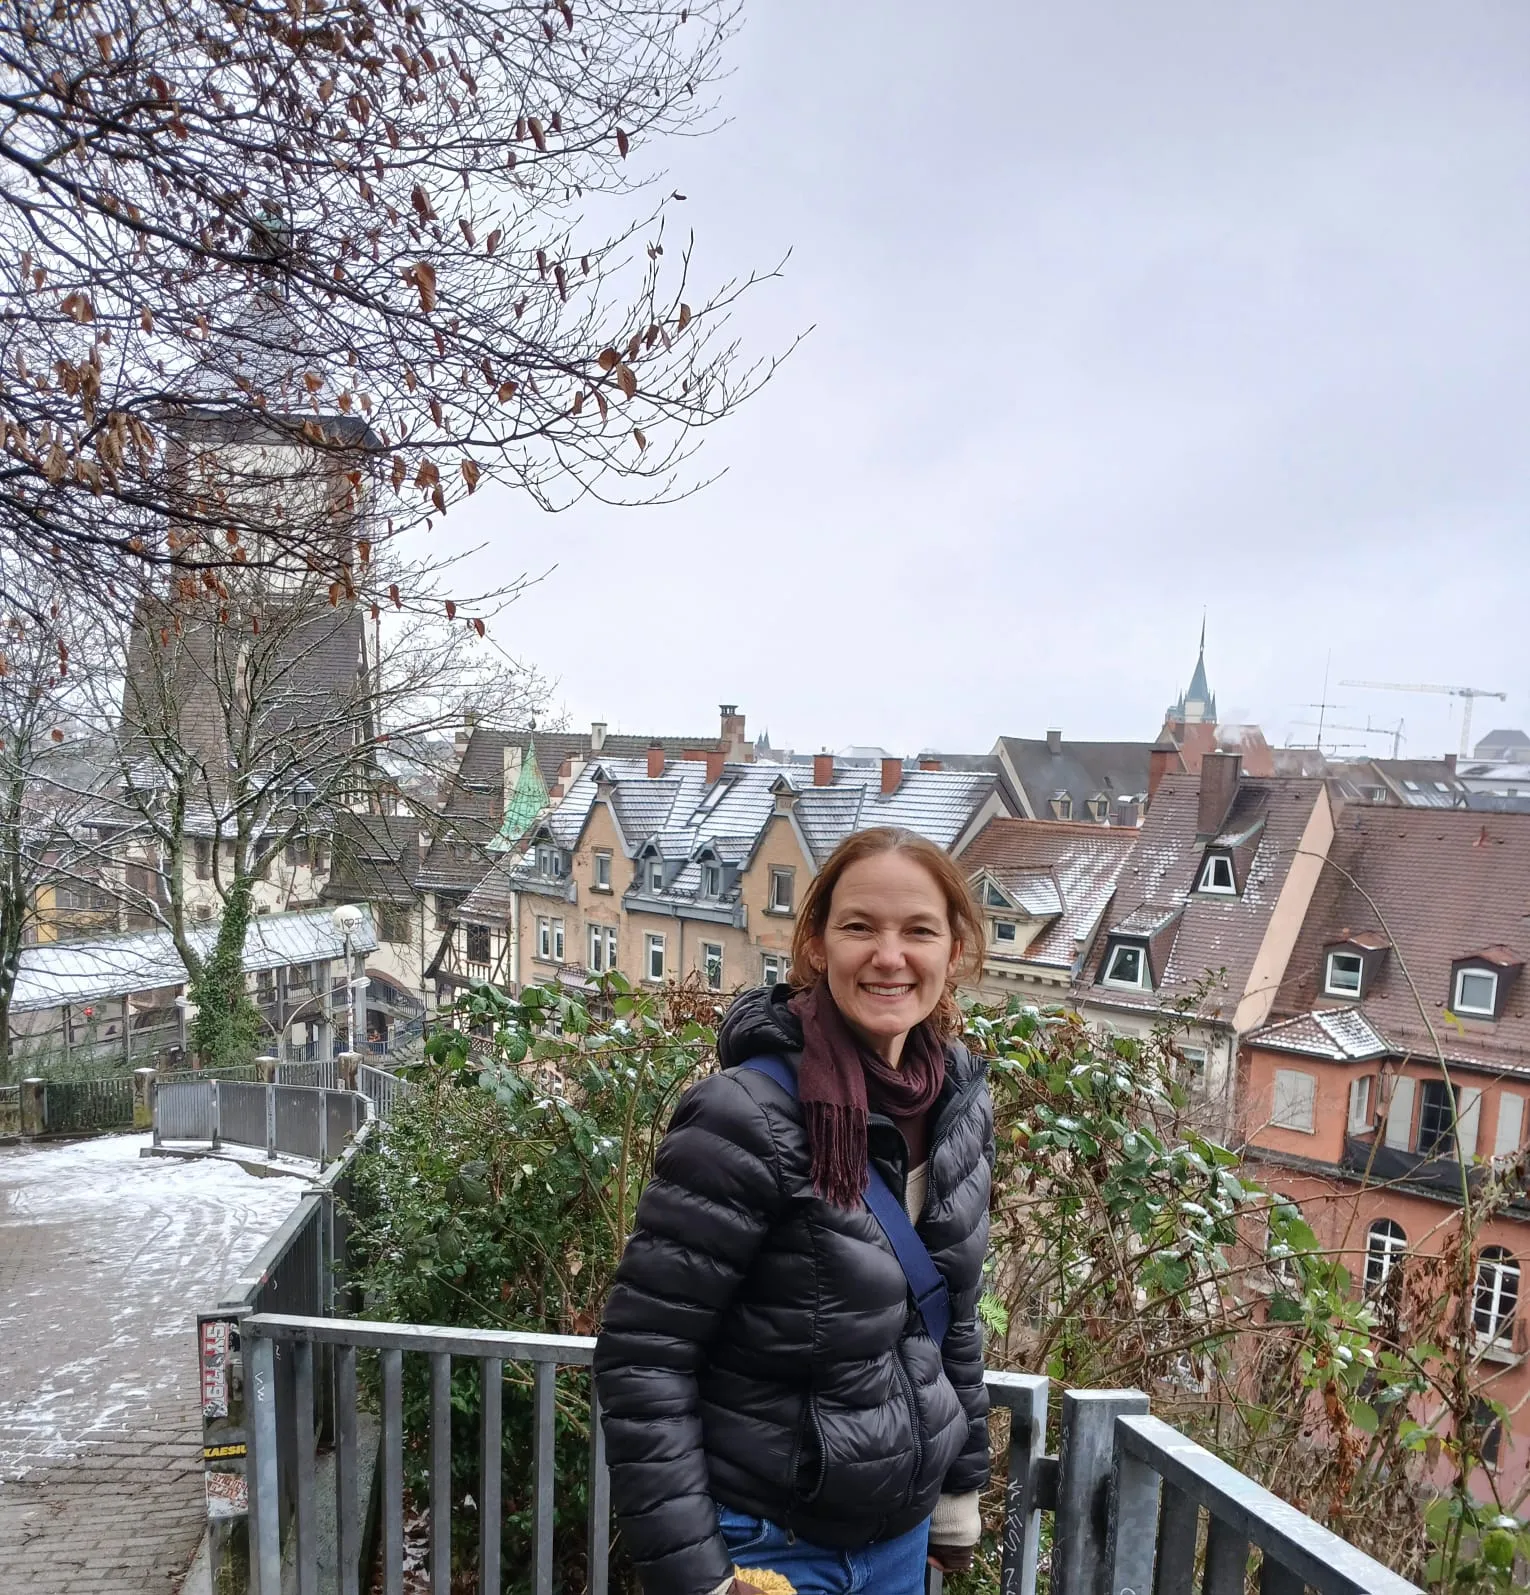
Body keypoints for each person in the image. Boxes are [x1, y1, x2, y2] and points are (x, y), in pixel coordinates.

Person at [594, 827, 994, 1595]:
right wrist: (700, 1579)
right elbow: (645, 1353)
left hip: (899, 1540)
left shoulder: (959, 1104)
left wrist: (954, 1494)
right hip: (766, 1543)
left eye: (918, 930)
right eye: (859, 926)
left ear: (953, 951)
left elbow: (953, 1318)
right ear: (815, 944)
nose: (889, 955)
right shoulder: (744, 1115)